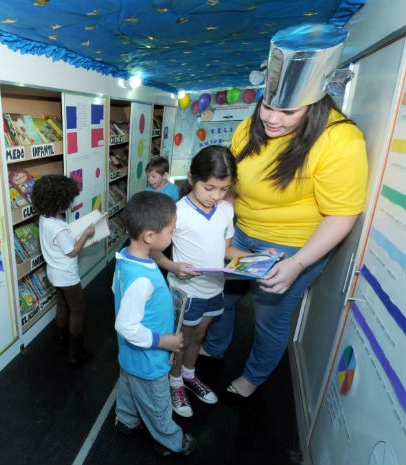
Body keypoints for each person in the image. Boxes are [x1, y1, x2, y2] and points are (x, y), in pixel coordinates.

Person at [200, 23, 369, 398]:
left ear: (316, 103)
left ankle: (254, 377)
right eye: (268, 106)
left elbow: (342, 214)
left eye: (288, 111)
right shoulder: (250, 126)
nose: (273, 119)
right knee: (222, 298)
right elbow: (232, 184)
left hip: (293, 248)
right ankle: (215, 347)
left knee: (269, 320)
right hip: (241, 235)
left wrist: (296, 264)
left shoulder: (340, 140)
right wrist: (217, 223)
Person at [152, 145, 250, 417]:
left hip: (214, 288)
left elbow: (227, 249)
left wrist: (258, 258)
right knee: (180, 340)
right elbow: (154, 251)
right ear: (193, 178)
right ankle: (174, 383)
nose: (216, 196)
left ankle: (189, 374)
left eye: (223, 188)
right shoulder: (176, 211)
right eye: (209, 188)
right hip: (185, 290)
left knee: (199, 335)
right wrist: (174, 267)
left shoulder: (225, 210)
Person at [112, 191, 196, 456]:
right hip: (150, 359)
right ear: (150, 236)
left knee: (128, 384)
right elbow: (126, 326)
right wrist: (164, 340)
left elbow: (117, 292)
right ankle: (170, 439)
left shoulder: (126, 258)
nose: (173, 236)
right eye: (171, 231)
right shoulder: (142, 279)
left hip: (131, 356)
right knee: (158, 404)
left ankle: (126, 419)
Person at [31, 174, 95, 365]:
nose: (70, 203)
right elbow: (72, 252)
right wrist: (87, 234)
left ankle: (60, 342)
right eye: (68, 200)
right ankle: (76, 353)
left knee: (62, 305)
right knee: (78, 309)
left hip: (53, 272)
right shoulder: (58, 227)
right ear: (59, 202)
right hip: (66, 275)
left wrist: (81, 238)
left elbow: (62, 245)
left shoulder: (44, 218)